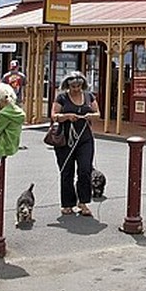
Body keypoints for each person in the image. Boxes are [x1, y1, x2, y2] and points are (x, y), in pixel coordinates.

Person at [51, 72, 101, 216]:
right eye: (73, 86)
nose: (76, 88)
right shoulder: (61, 97)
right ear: (67, 85)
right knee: (67, 171)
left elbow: (97, 113)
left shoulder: (88, 96)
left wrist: (91, 115)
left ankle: (83, 202)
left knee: (85, 170)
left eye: (79, 86)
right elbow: (54, 116)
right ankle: (67, 203)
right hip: (65, 139)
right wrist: (66, 116)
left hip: (85, 138)